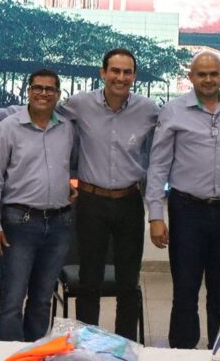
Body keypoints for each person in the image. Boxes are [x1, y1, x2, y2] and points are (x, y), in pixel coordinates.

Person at [145, 52, 220, 349]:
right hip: (187, 211)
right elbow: (158, 165)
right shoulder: (174, 111)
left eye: (214, 73)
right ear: (190, 77)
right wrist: (155, 215)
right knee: (185, 290)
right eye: (201, 74)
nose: (208, 79)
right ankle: (182, 351)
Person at [63, 48, 158, 340]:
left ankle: (124, 345)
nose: (120, 77)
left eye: (127, 72)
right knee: (89, 281)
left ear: (134, 76)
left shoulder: (148, 109)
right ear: (103, 73)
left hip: (129, 202)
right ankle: (87, 346)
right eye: (115, 71)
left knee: (128, 282)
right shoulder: (80, 104)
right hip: (91, 202)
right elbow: (41, 111)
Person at [0, 68, 75, 341]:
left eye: (50, 89)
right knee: (12, 300)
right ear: (29, 91)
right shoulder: (8, 127)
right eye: (38, 88)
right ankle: (9, 355)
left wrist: (64, 185)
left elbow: (70, 166)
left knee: (42, 299)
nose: (43, 93)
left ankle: (35, 353)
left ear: (58, 94)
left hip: (59, 224)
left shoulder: (67, 128)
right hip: (19, 223)